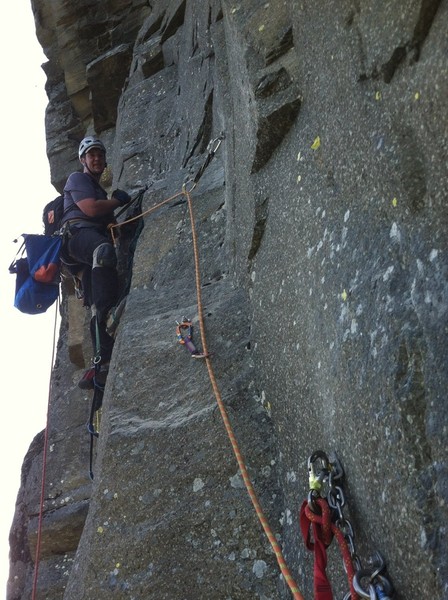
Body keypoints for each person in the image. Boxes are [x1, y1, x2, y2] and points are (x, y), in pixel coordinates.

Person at [61, 135, 131, 388]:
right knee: (102, 251)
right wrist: (118, 201)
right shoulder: (77, 179)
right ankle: (109, 313)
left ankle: (101, 358)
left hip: (85, 243)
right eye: (91, 155)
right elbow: (90, 209)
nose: (97, 158)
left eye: (100, 154)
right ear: (83, 160)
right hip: (77, 236)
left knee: (92, 302)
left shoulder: (99, 191)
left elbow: (106, 220)